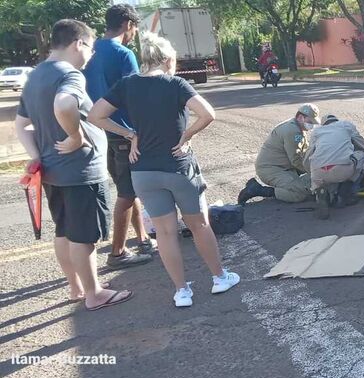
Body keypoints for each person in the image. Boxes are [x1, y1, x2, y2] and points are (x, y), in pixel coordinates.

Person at [89, 32, 240, 308]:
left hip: (143, 171)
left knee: (165, 232)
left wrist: (129, 134)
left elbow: (95, 115)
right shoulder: (176, 84)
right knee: (199, 225)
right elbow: (207, 113)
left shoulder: (127, 85)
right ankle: (220, 277)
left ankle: (181, 291)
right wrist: (187, 136)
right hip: (178, 166)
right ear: (169, 59)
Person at [14, 19, 133, 310]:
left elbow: (21, 124)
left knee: (64, 231)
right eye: (90, 48)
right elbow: (65, 104)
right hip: (79, 170)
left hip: (53, 171)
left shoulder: (36, 75)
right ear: (78, 43)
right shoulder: (70, 74)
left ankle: (75, 288)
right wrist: (76, 136)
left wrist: (37, 155)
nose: (90, 56)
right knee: (84, 237)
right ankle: (95, 294)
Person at [83, 3, 155, 268]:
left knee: (127, 187)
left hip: (99, 131)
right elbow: (134, 94)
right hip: (125, 131)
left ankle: (143, 237)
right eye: (134, 28)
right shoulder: (124, 54)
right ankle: (117, 253)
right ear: (128, 25)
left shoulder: (89, 52)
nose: (133, 34)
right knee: (126, 193)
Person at [237, 104, 319, 204]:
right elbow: (296, 160)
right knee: (299, 193)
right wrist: (314, 172)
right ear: (301, 117)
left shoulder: (297, 127)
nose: (312, 125)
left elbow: (303, 154)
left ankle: (287, 183)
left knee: (307, 183)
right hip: (271, 169)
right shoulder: (293, 131)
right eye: (310, 122)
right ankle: (258, 190)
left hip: (282, 167)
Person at [304, 114, 364, 218]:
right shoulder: (346, 125)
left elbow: (307, 157)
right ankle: (345, 192)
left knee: (316, 165)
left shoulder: (316, 132)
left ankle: (320, 191)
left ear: (323, 124)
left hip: (318, 173)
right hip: (342, 170)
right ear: (336, 120)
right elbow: (362, 146)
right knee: (360, 154)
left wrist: (311, 173)